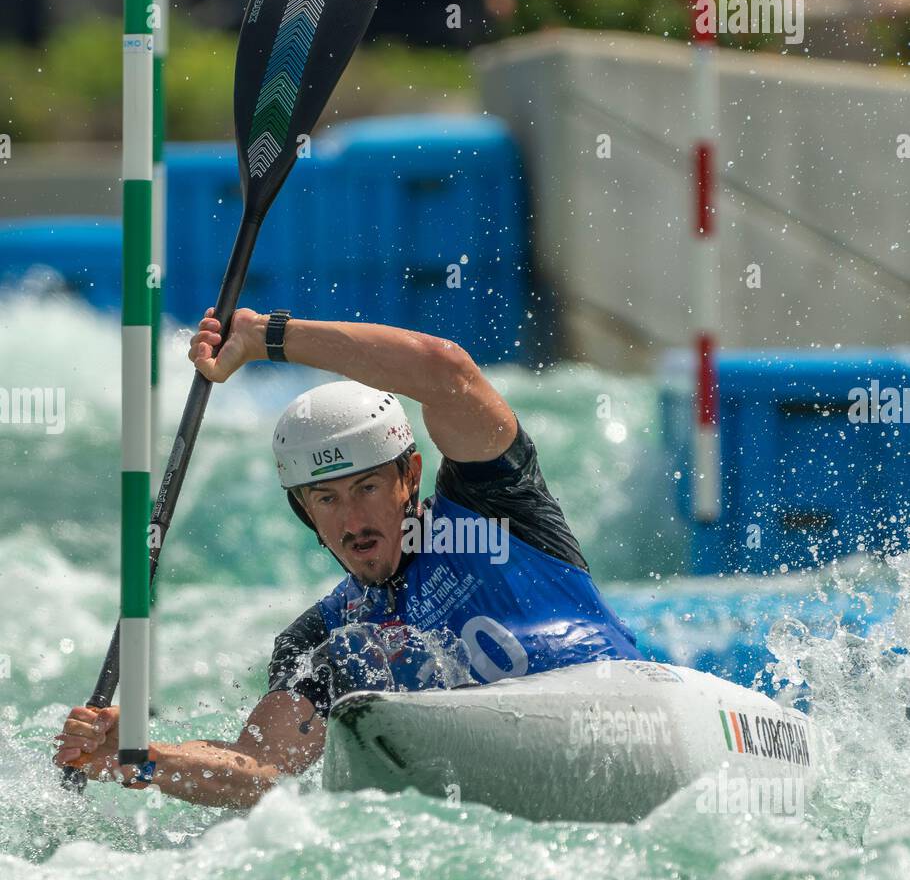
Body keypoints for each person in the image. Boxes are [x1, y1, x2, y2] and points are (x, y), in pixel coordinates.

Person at [54, 308, 643, 808]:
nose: (351, 520)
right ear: (305, 513)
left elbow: (446, 373)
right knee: (349, 654)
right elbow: (262, 770)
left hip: (623, 716)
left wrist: (267, 338)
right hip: (502, 797)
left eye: (366, 488)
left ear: (409, 475)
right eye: (326, 500)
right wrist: (143, 755)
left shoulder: (494, 507)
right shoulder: (323, 637)